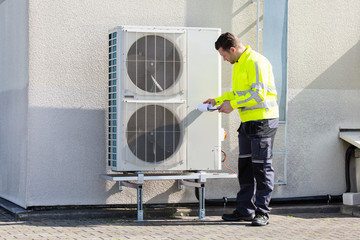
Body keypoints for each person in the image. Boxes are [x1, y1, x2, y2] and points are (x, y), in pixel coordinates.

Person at [203, 32, 279, 226]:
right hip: (248, 123)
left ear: (233, 49)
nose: (224, 59)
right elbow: (237, 93)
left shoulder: (255, 62)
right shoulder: (239, 64)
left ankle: (262, 213)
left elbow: (258, 95)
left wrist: (233, 105)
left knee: (261, 168)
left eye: (224, 55)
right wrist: (218, 100)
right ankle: (245, 210)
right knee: (245, 168)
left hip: (263, 122)